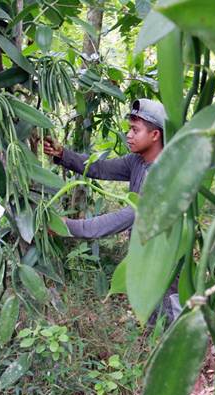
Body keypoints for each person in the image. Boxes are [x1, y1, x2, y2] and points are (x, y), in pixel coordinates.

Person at [43, 98, 181, 323]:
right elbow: (99, 168)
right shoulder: (137, 161)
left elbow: (124, 218)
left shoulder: (164, 176)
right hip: (144, 255)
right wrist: (61, 154)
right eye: (129, 129)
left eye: (135, 130)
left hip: (165, 259)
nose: (128, 135)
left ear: (155, 135)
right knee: (154, 316)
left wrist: (68, 227)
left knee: (172, 315)